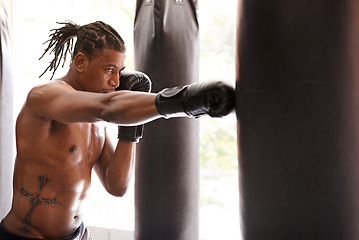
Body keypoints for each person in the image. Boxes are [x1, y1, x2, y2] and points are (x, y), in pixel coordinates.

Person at [0, 21, 235, 240]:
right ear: (81, 62)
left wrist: (130, 128)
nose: (115, 81)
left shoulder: (95, 122)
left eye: (119, 71)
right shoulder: (44, 97)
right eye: (109, 69)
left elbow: (117, 185)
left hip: (78, 235)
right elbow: (108, 108)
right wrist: (184, 102)